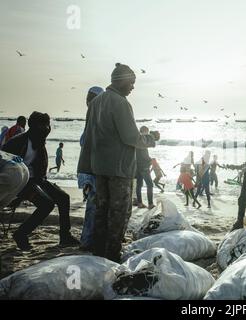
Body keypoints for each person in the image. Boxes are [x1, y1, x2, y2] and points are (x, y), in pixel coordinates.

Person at [77, 63, 160, 262]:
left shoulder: (96, 102)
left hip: (99, 168)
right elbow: (132, 138)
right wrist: (152, 139)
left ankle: (98, 253)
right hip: (119, 170)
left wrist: (85, 168)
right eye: (131, 82)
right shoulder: (121, 103)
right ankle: (112, 256)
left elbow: (88, 138)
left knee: (101, 212)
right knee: (118, 215)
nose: (133, 87)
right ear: (121, 81)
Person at [3, 112, 79, 250]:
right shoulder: (16, 142)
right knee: (46, 205)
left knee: (63, 197)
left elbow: (41, 172)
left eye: (47, 125)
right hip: (20, 182)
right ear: (32, 125)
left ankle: (65, 236)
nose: (45, 128)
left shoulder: (39, 142)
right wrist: (11, 193)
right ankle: (21, 234)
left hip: (37, 180)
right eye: (41, 125)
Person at [77, 86, 104, 251]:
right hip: (91, 172)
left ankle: (88, 241)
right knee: (94, 208)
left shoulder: (92, 120)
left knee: (93, 208)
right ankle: (87, 242)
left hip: (88, 171)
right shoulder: (96, 121)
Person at [135, 126, 155, 209]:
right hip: (144, 166)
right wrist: (150, 160)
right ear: (144, 131)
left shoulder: (137, 140)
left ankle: (139, 203)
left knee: (139, 184)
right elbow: (144, 155)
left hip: (137, 166)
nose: (147, 133)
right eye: (147, 131)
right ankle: (150, 204)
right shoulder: (143, 141)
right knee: (150, 184)